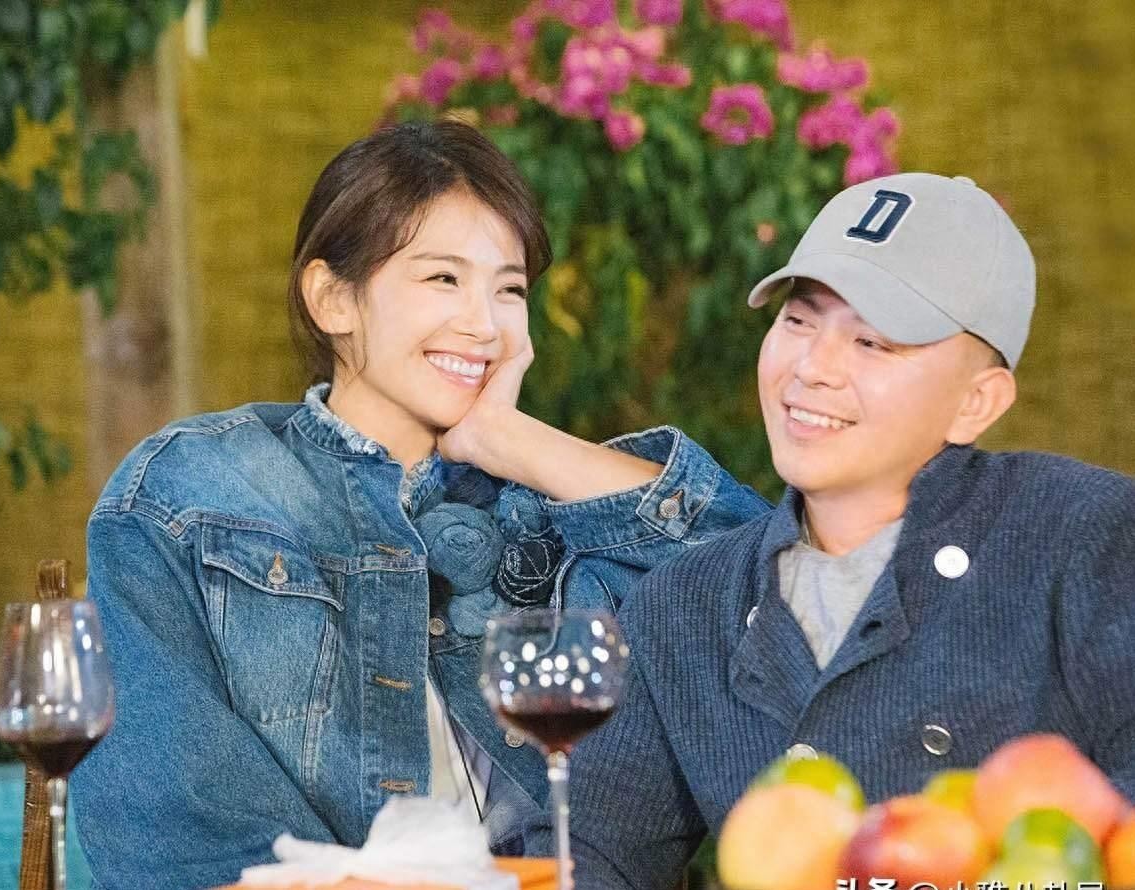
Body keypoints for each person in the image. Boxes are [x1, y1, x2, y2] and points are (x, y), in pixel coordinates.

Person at [70, 119, 769, 890]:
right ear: (333, 298)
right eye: (443, 279)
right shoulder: (191, 491)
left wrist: (509, 439)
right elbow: (173, 821)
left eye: (509, 289)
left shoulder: (556, 510)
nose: (484, 325)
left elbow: (767, 598)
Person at [533, 172, 1135, 890]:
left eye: (872, 342)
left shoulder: (1091, 538)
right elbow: (582, 856)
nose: (813, 368)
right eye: (799, 320)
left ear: (976, 403)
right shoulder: (685, 603)